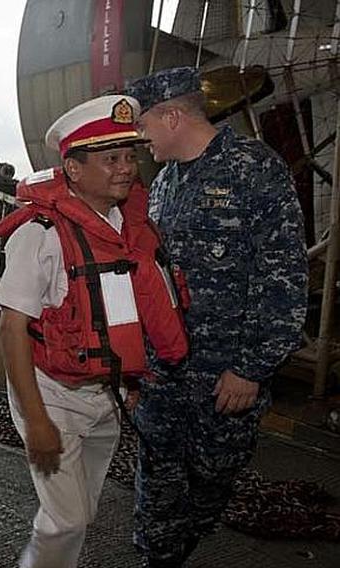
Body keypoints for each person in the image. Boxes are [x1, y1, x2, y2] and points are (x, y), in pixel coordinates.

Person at [0, 94, 191, 568]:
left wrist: (131, 379)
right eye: (110, 159)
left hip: (109, 397)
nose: (125, 168)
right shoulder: (39, 234)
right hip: (53, 396)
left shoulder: (129, 226)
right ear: (73, 169)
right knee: (68, 518)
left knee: (83, 509)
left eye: (128, 156)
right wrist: (36, 419)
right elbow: (11, 329)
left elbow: (127, 310)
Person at [126, 67, 308, 567]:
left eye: (143, 125)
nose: (139, 138)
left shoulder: (254, 169)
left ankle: (181, 542)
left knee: (213, 477)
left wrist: (252, 367)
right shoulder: (163, 184)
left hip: (224, 375)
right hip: (164, 372)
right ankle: (156, 558)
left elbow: (284, 277)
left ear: (172, 116)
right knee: (157, 482)